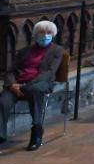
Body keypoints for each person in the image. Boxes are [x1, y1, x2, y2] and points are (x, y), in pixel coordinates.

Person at [0, 21, 63, 151]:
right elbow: (11, 70)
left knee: (34, 91)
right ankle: (1, 135)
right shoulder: (24, 51)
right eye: (42, 32)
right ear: (35, 34)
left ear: (53, 34)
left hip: (40, 83)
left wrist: (25, 86)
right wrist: (12, 85)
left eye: (48, 33)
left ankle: (37, 132)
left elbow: (49, 72)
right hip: (17, 84)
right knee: (3, 101)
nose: (45, 35)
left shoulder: (56, 50)